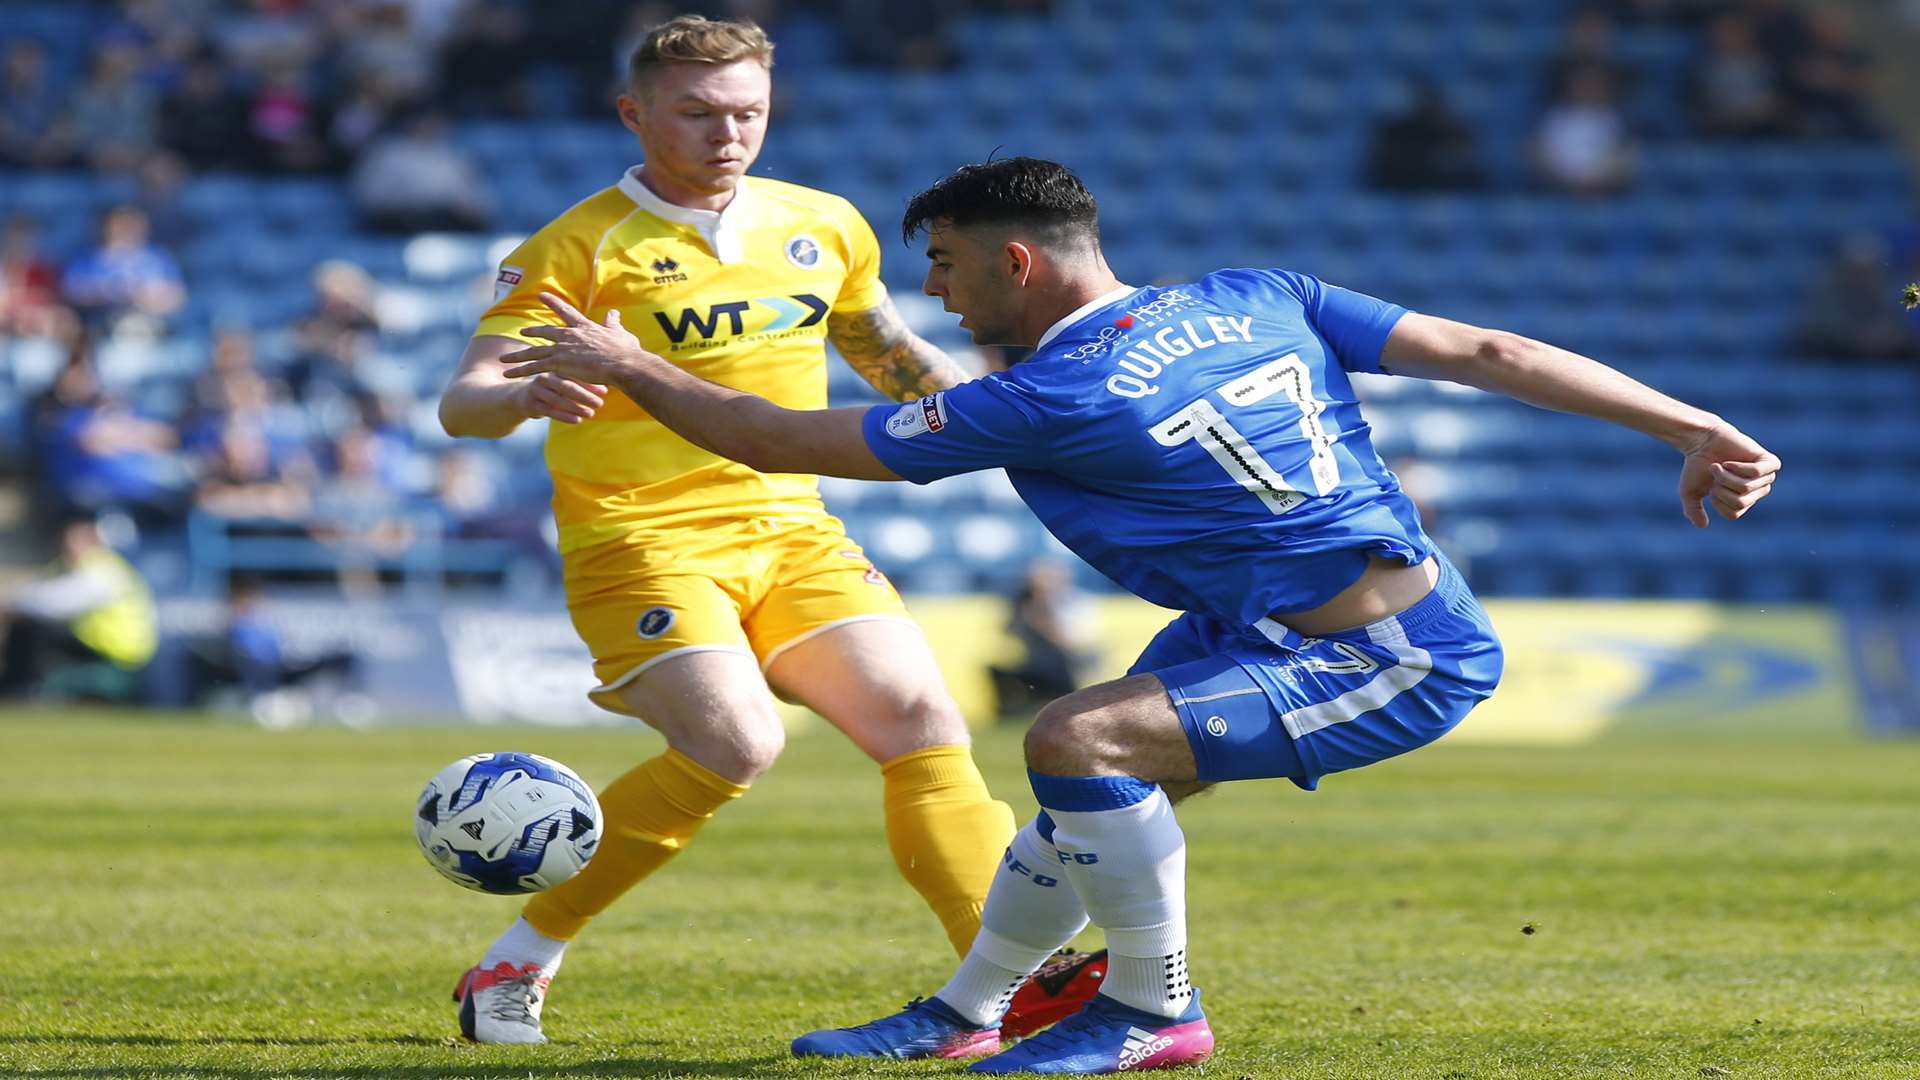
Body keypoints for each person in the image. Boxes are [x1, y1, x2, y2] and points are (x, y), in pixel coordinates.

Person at [495, 156, 1783, 1073]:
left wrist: (630, 362)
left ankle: (1154, 1011)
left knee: (1076, 743)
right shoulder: (1256, 292)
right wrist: (1693, 423)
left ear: (1015, 259)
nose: (935, 295)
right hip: (1272, 627)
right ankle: (967, 1013)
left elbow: (768, 437)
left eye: (944, 266)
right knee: (1083, 808)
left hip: (1386, 652)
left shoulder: (1038, 397)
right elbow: (1491, 353)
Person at [434, 14, 1057, 1047]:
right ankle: (517, 958)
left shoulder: (826, 225)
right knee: (736, 741)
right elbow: (465, 398)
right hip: (641, 536)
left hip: (790, 526)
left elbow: (890, 354)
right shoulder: (577, 247)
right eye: (699, 112)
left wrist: (1021, 425)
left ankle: (1005, 992)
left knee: (921, 720)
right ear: (634, 113)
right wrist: (523, 393)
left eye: (748, 112)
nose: (729, 133)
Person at [0, 516, 157, 702]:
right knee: (28, 627)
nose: (70, 546)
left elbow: (54, 604)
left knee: (33, 629)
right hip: (91, 652)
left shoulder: (103, 570)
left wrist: (11, 605)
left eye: (77, 540)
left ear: (94, 541)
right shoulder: (68, 566)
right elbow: (38, 589)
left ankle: (24, 688)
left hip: (117, 663)